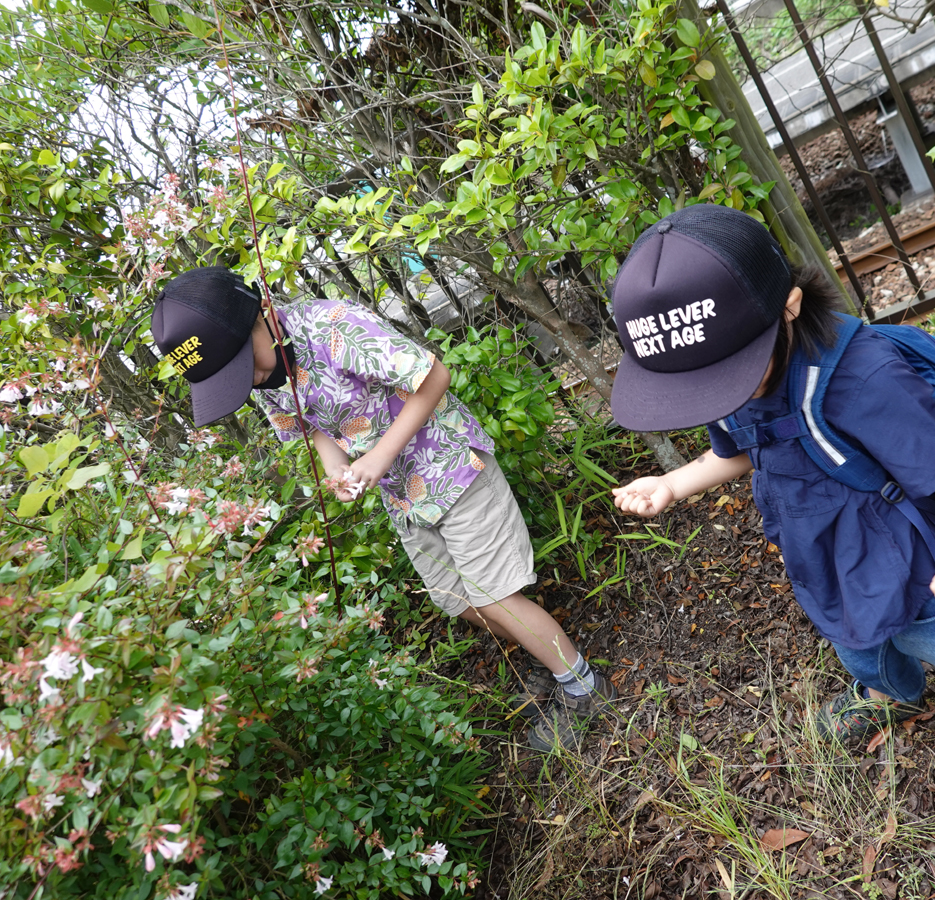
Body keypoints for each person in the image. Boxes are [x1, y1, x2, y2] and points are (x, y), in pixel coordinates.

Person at [608, 205, 935, 865]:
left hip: (918, 567)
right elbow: (739, 448)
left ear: (789, 306)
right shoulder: (731, 374)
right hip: (827, 555)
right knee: (855, 642)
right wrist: (675, 484)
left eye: (719, 379)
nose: (714, 398)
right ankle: (891, 689)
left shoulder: (863, 379)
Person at [150, 266, 615, 752]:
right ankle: (548, 660)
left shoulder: (333, 327)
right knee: (455, 598)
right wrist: (337, 471)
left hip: (451, 464)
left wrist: (377, 456)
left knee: (494, 593)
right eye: (234, 379)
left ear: (263, 312)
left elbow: (433, 374)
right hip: (403, 494)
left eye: (246, 364)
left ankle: (584, 687)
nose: (252, 380)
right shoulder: (267, 378)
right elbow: (313, 429)